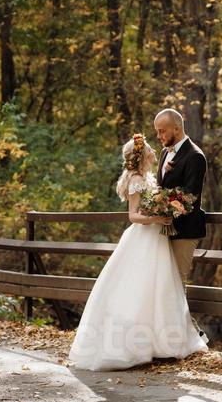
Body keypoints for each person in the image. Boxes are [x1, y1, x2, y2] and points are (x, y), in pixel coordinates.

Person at [67, 133, 209, 371]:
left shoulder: (147, 175)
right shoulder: (135, 179)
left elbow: (162, 191)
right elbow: (133, 215)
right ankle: (134, 344)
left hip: (156, 237)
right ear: (142, 155)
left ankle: (162, 343)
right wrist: (156, 217)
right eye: (150, 149)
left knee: (160, 287)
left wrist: (164, 199)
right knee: (139, 287)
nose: (155, 150)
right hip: (144, 237)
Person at [153, 107, 209, 342]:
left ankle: (195, 336)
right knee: (165, 284)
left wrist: (161, 206)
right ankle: (180, 337)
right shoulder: (166, 154)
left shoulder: (195, 156)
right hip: (164, 229)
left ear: (177, 127)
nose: (159, 136)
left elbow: (189, 197)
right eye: (157, 132)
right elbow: (162, 187)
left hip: (185, 230)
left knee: (176, 283)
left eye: (162, 131)